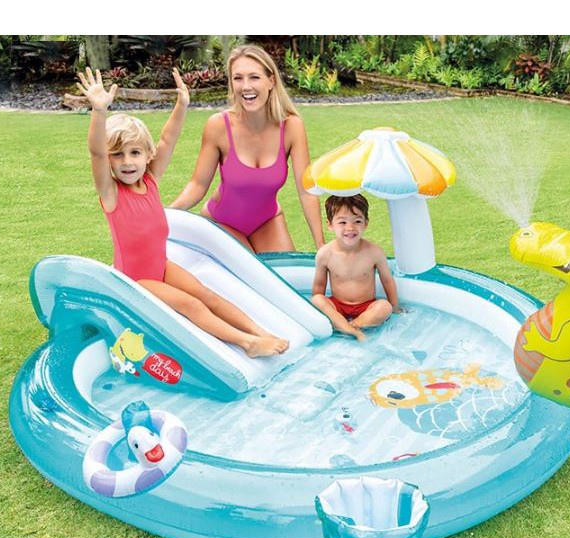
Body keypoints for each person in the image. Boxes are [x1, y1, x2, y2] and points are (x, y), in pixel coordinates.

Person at [76, 67, 288, 358]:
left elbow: (167, 140)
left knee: (206, 294)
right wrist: (99, 111)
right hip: (136, 281)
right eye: (118, 155)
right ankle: (247, 343)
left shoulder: (150, 181)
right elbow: (96, 153)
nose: (127, 162)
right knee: (191, 305)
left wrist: (182, 105)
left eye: (135, 153)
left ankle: (259, 332)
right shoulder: (111, 194)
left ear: (147, 155)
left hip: (160, 267)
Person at [170, 44, 324, 253]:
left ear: (271, 81)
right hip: (222, 222)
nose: (246, 86)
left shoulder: (292, 127)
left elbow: (306, 191)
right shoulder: (218, 126)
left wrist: (321, 245)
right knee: (250, 271)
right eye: (238, 78)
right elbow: (198, 184)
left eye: (254, 77)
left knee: (284, 271)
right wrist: (166, 214)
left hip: (267, 221)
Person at [311, 195, 400, 341]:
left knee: (385, 307)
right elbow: (319, 286)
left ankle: (350, 327)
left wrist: (395, 306)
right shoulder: (325, 254)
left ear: (365, 223)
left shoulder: (374, 252)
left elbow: (387, 281)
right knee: (317, 300)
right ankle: (352, 329)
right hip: (337, 306)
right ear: (330, 224)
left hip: (366, 307)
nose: (350, 228)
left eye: (357, 221)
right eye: (342, 222)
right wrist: (319, 311)